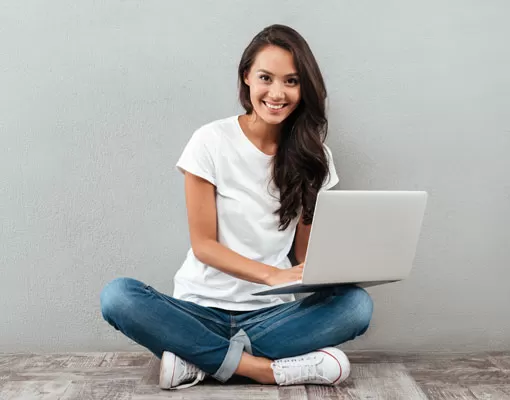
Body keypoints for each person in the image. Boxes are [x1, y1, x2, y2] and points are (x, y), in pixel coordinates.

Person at [100, 24, 373, 390]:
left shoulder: (315, 158)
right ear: (246, 77)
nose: (277, 93)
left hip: (273, 316)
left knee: (357, 305)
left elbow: (305, 258)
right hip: (198, 312)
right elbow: (204, 245)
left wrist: (348, 265)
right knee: (118, 297)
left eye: (291, 81)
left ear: (304, 87)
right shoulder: (210, 141)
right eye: (266, 78)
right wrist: (271, 275)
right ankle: (263, 370)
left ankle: (200, 360)